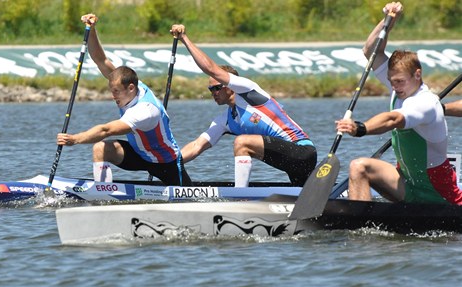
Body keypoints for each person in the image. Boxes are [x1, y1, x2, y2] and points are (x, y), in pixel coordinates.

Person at [335, 2, 462, 205]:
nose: (395, 87)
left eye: (400, 81)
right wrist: (389, 20)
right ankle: (359, 228)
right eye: (392, 81)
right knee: (359, 166)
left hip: (438, 196)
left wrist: (360, 128)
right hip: (407, 183)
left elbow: (393, 119)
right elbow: (371, 51)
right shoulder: (400, 85)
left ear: (417, 75)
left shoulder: (425, 102)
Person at [169, 25, 316, 187]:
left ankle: (240, 196)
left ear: (230, 85)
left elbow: (211, 69)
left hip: (303, 152)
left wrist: (184, 39)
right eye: (210, 89)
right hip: (289, 164)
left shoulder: (248, 91)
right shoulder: (225, 120)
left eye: (217, 87)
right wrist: (167, 163)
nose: (213, 92)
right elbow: (197, 146)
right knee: (304, 201)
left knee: (242, 142)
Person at [57, 14, 191, 186]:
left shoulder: (146, 110)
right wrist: (91, 29)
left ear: (131, 88)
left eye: (116, 92)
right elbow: (100, 60)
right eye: (111, 91)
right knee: (100, 148)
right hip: (138, 154)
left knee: (187, 197)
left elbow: (107, 130)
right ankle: (102, 194)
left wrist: (75, 139)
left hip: (166, 162)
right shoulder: (130, 83)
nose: (113, 96)